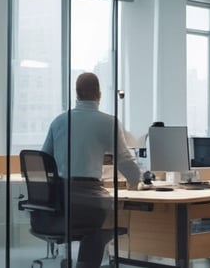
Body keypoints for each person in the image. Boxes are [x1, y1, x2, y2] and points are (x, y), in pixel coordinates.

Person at [41, 73, 141, 268]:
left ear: (76, 93)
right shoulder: (108, 122)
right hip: (89, 200)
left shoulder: (59, 121)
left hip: (60, 200)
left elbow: (43, 160)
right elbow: (124, 160)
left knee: (97, 221)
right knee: (109, 222)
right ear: (99, 94)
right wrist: (136, 181)